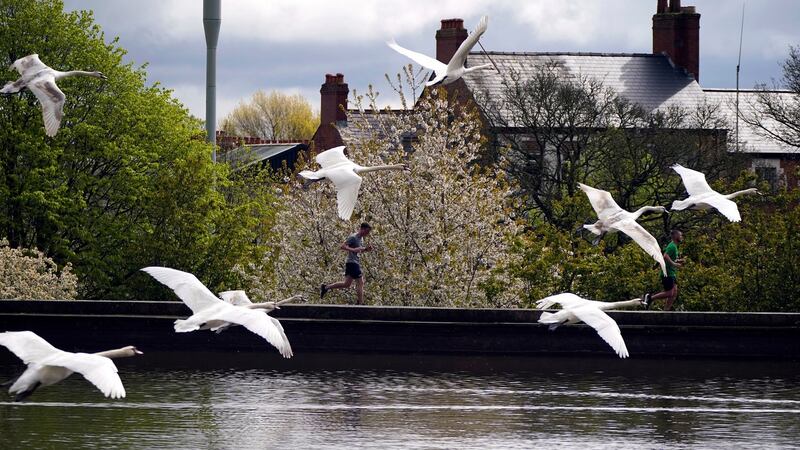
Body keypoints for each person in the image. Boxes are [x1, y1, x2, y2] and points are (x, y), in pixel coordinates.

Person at [320, 222, 373, 304]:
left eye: (368, 232)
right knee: (360, 282)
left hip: (354, 262)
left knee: (346, 284)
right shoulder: (353, 237)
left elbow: (358, 250)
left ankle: (326, 287)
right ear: (362, 229)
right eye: (367, 231)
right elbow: (342, 246)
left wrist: (366, 249)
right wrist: (352, 250)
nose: (367, 233)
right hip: (352, 262)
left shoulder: (361, 239)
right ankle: (361, 303)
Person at [643, 229, 684, 311]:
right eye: (680, 235)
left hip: (672, 273)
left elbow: (669, 258)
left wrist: (678, 261)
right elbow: (665, 256)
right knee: (670, 293)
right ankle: (650, 298)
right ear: (675, 236)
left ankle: (666, 310)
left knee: (674, 293)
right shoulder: (672, 246)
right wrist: (674, 264)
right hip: (667, 273)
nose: (681, 237)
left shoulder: (674, 246)